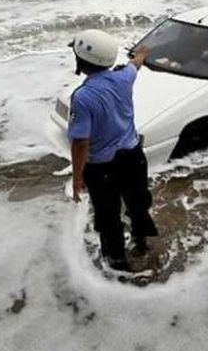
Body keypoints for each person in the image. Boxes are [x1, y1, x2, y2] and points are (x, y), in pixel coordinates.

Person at [67, 29, 158, 271]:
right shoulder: (124, 77)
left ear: (81, 62)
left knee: (108, 217)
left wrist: (77, 179)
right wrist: (143, 53)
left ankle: (117, 262)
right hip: (133, 159)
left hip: (101, 169)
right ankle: (141, 241)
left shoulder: (82, 97)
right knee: (138, 203)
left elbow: (80, 144)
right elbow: (135, 64)